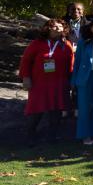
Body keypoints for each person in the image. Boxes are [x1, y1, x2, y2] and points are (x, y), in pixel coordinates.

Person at [19, 18, 74, 146]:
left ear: (64, 30)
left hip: (59, 83)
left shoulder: (66, 45)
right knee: (36, 110)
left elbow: (71, 65)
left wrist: (71, 81)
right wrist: (26, 78)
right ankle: (30, 136)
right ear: (47, 29)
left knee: (56, 110)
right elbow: (26, 61)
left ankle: (52, 137)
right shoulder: (37, 43)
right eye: (54, 26)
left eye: (60, 27)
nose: (57, 28)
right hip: (39, 83)